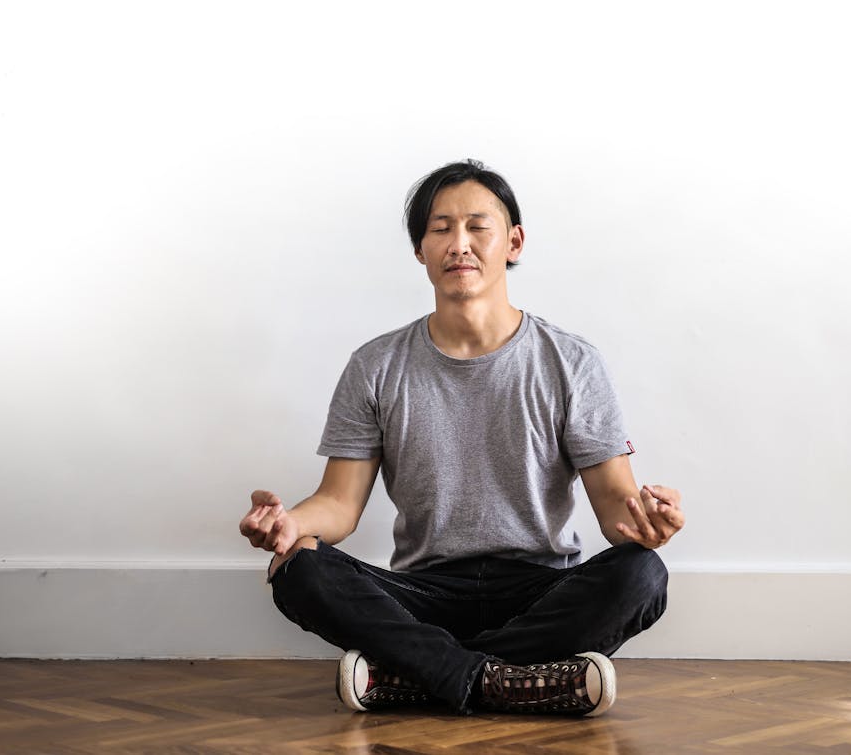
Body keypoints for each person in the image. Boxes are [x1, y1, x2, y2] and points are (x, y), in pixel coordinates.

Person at [238, 159, 684, 717]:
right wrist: (289, 525)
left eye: (477, 226)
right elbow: (339, 503)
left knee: (642, 573)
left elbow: (616, 504)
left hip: (541, 589)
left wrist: (647, 520)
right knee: (298, 567)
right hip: (423, 593)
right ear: (420, 250)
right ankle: (515, 680)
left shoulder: (572, 362)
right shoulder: (375, 365)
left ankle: (420, 675)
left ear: (513, 242)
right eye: (440, 228)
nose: (459, 243)